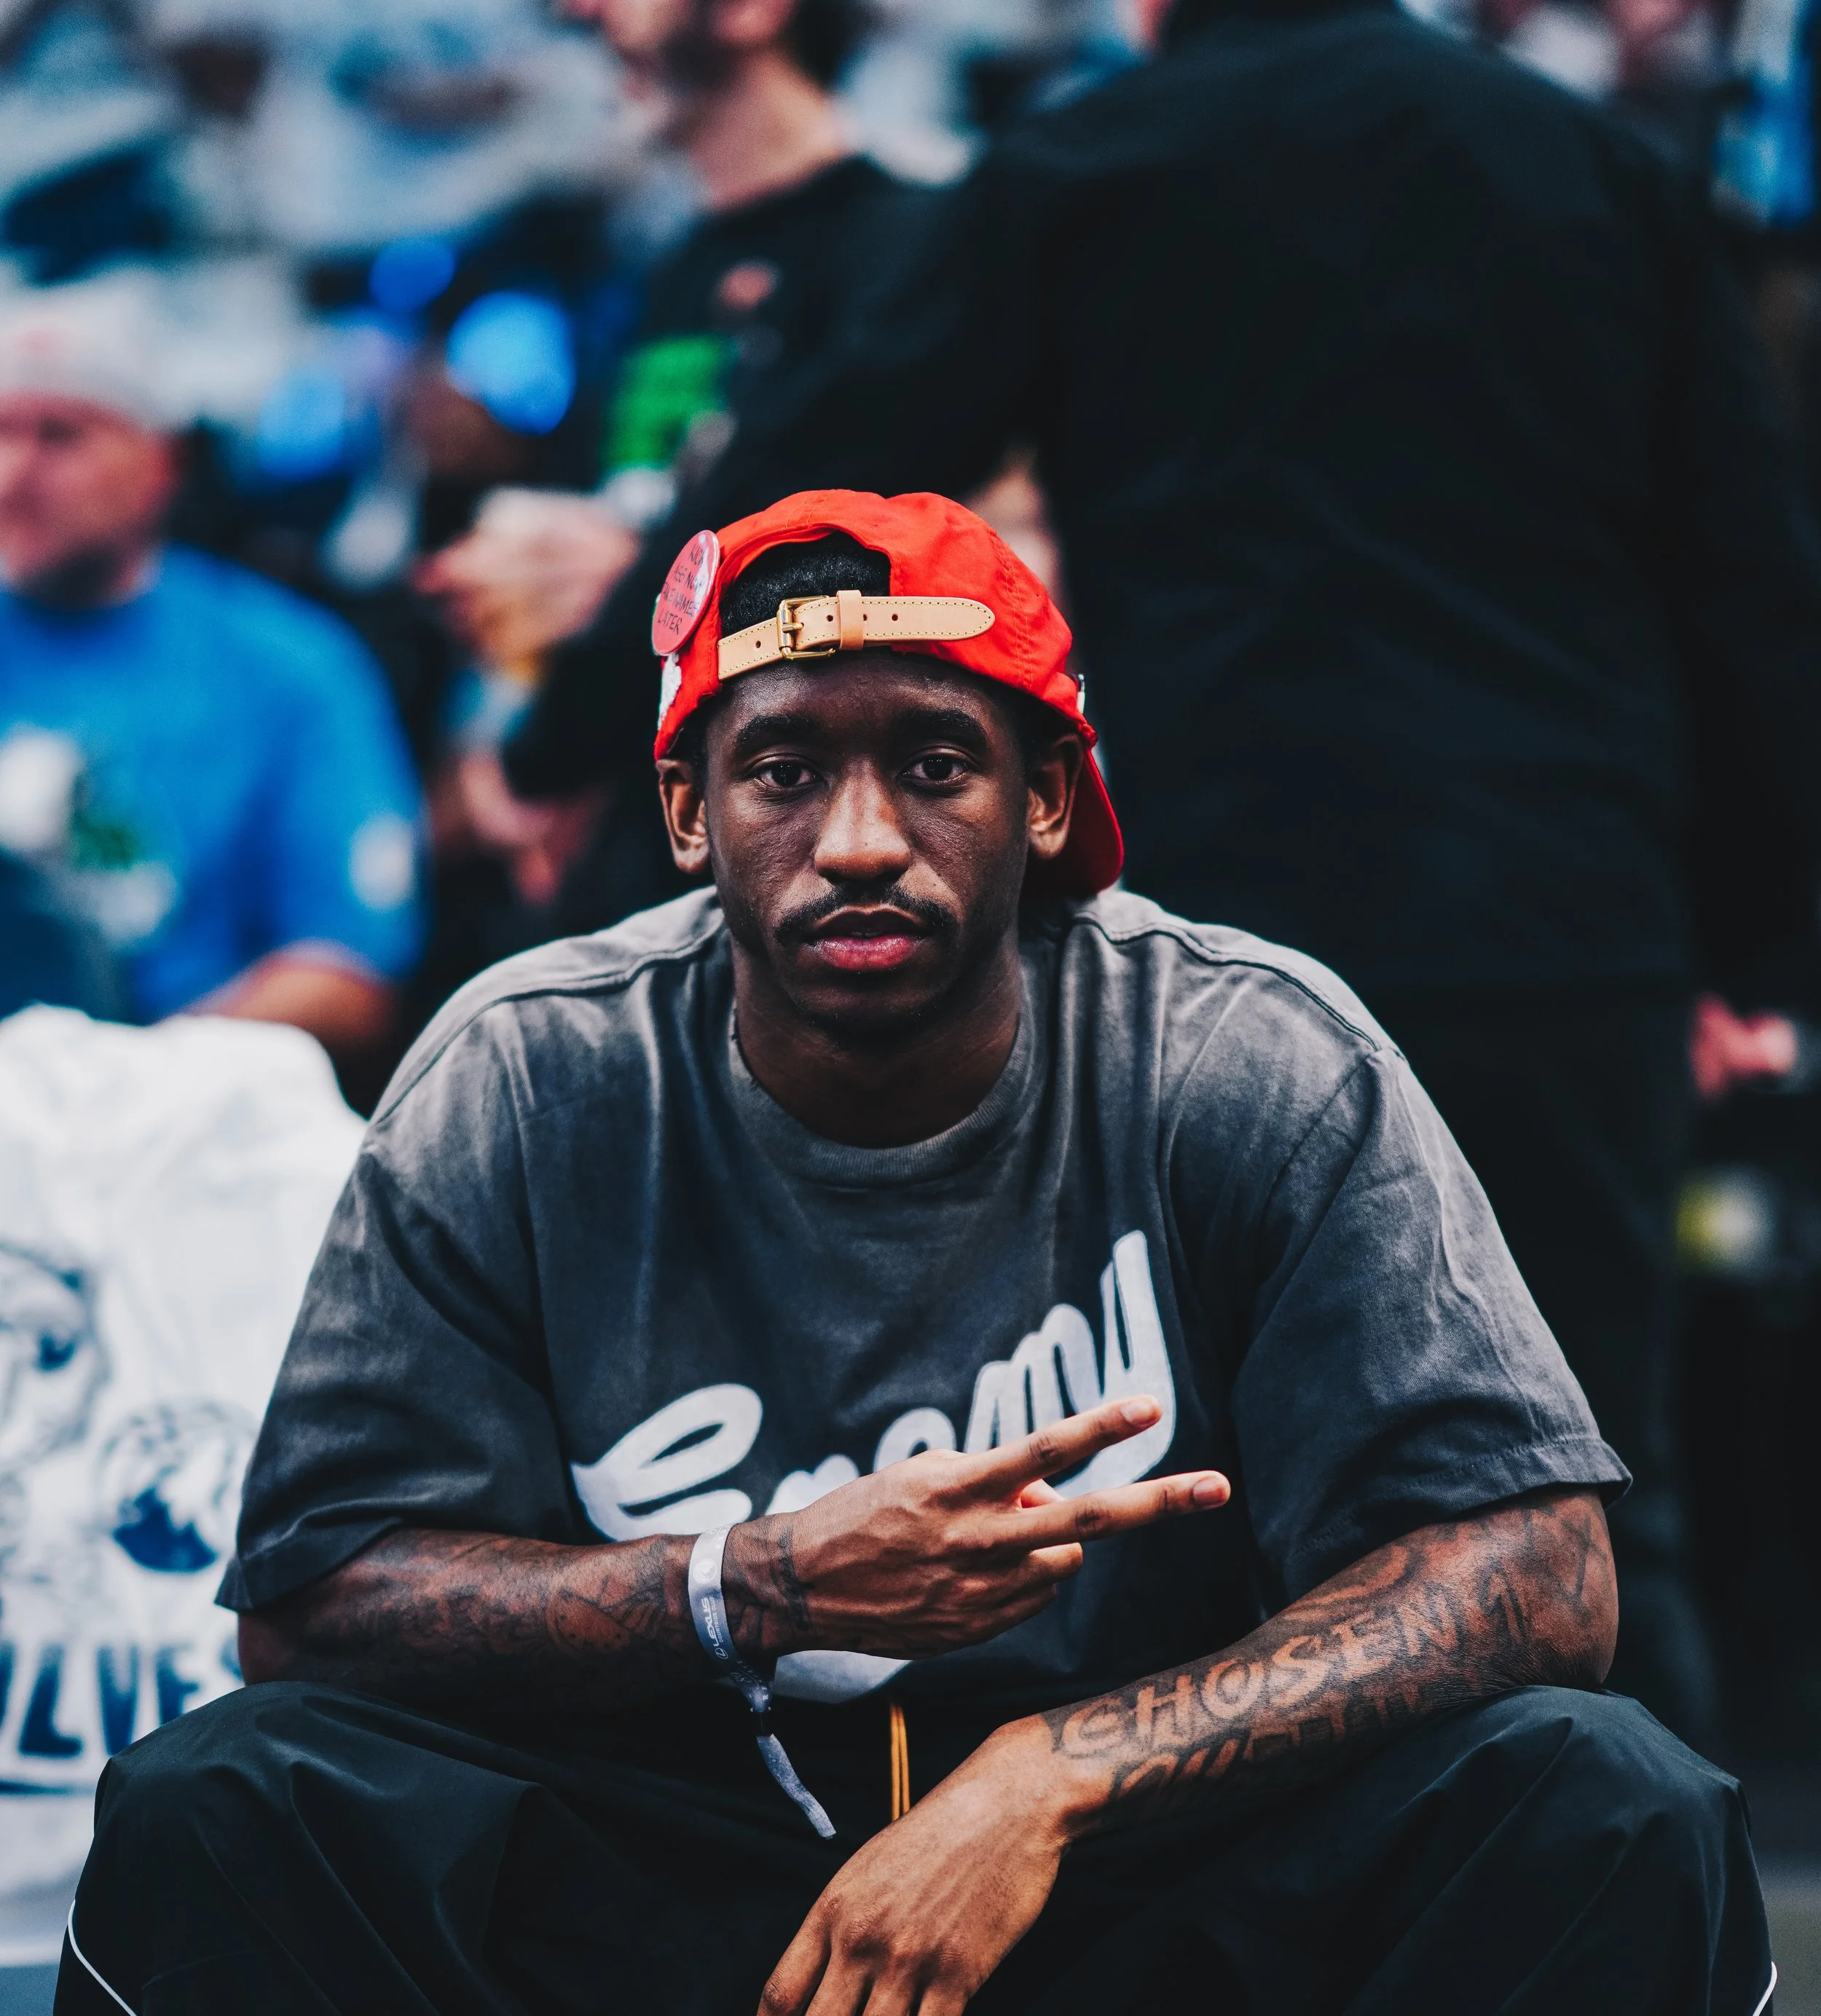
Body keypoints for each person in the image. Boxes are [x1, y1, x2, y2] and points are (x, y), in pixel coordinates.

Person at [58, 493, 1774, 2016]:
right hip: (680, 1927)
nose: (856, 834)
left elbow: (1528, 1567)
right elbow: (314, 1606)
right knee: (230, 1812)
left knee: (1602, 1815)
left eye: (934, 764)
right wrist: (734, 1585)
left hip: (1128, 1913)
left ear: (1049, 799)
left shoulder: (1239, 1051)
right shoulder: (535, 1065)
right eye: (783, 767)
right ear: (684, 808)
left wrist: (1056, 1769)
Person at [509, 0, 1821, 1761]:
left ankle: (1256, 2007)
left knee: (1217, 1490)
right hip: (1555, 914)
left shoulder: (1084, 165)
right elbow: (1751, 580)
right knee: (1578, 1485)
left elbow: (804, 491)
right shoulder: (1585, 161)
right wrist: (1751, 945)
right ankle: (1656, 2010)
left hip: (1229, 935)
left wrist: (564, 732)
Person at [420, 0, 927, 921]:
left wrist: (541, 745)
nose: (583, 13)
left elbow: (874, 560)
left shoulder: (904, 249)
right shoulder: (667, 272)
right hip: (641, 834)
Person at [0, 279, 426, 1068]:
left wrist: (116, 1085)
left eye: (60, 436)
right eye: (1, 433)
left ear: (161, 463)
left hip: (163, 1116)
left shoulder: (289, 669)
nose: (14, 475)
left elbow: (346, 974)